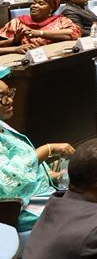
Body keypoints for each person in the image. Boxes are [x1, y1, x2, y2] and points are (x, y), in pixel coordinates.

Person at [0, 75, 73, 234]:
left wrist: (53, 176)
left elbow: (23, 157)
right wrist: (48, 149)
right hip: (23, 210)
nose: (9, 100)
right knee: (85, 207)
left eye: (9, 94)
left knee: (92, 191)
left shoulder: (2, 124)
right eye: (1, 97)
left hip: (41, 192)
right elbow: (10, 181)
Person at [0, 0, 80, 49]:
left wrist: (40, 33)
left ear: (51, 8)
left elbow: (74, 33)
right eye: (34, 3)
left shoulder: (61, 20)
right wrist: (14, 40)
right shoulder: (18, 22)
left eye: (41, 4)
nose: (34, 6)